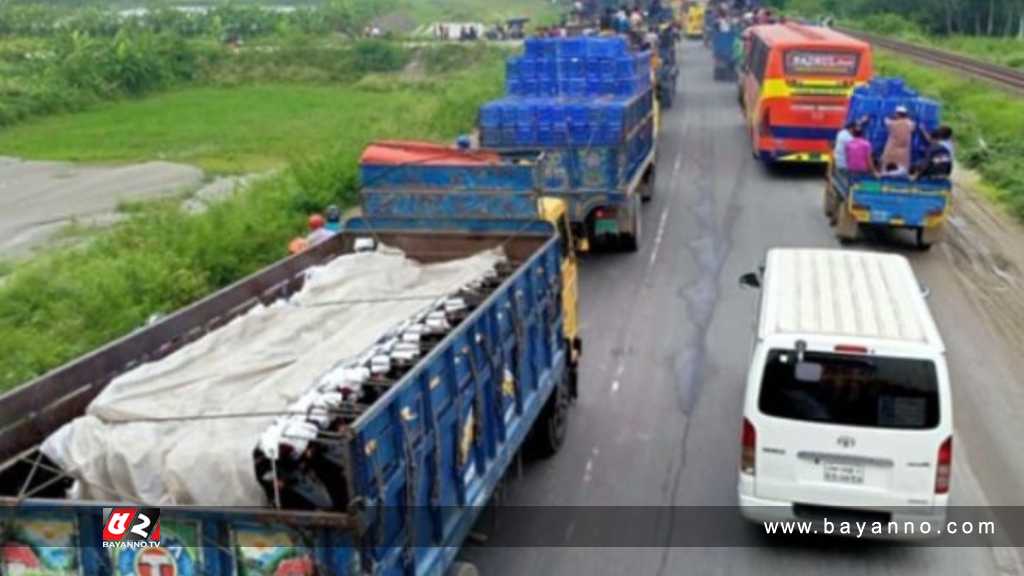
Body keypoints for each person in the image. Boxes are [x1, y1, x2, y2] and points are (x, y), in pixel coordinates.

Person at [881, 105, 915, 172]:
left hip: (891, 151)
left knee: (887, 169)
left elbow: (885, 120)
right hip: (904, 153)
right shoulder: (910, 124)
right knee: (902, 169)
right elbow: (912, 124)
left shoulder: (892, 123)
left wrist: (891, 116)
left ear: (897, 114)